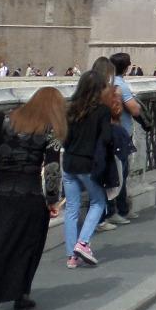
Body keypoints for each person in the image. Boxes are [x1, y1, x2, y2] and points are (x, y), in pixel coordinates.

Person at [0, 87, 65, 310]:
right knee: (26, 246)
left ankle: (21, 294)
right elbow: (52, 169)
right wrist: (53, 201)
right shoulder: (51, 130)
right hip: (28, 194)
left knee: (4, 243)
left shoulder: (5, 119)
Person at [61, 68, 115, 268]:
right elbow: (107, 138)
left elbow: (64, 139)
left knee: (72, 209)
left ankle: (71, 256)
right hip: (88, 164)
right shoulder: (102, 111)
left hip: (69, 163)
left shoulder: (70, 109)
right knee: (98, 202)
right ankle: (82, 243)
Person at [102, 52, 145, 229]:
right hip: (119, 134)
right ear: (126, 68)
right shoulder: (121, 86)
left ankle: (122, 208)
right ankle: (115, 211)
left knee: (118, 173)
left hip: (110, 133)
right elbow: (135, 110)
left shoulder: (108, 83)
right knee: (119, 173)